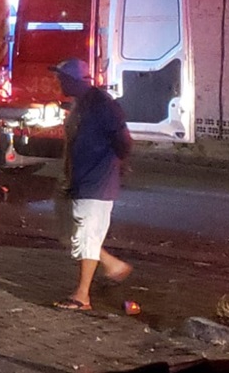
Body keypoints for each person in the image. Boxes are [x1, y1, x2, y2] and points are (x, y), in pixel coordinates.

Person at [50, 57, 133, 311]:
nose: (58, 83)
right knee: (69, 233)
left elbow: (123, 141)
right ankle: (113, 266)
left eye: (62, 79)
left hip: (95, 182)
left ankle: (82, 296)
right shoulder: (82, 104)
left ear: (73, 80)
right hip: (78, 179)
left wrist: (112, 165)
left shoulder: (101, 105)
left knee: (86, 236)